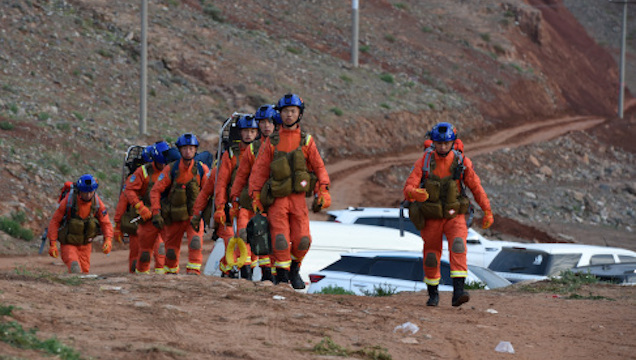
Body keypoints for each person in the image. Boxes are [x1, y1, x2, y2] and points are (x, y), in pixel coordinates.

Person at [403, 122, 494, 307]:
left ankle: (458, 292)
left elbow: (476, 188)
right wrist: (414, 193)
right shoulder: (425, 162)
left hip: (455, 215)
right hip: (431, 216)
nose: (442, 147)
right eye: (439, 143)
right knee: (430, 255)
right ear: (433, 142)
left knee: (458, 247)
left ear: (453, 142)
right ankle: (433, 294)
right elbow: (408, 187)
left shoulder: (462, 162)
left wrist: (487, 211)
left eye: (446, 143)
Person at [249, 94, 331, 289]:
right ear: (280, 113)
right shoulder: (272, 141)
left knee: (303, 240)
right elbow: (259, 170)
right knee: (280, 240)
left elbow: (319, 167)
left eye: (293, 111)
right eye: (285, 111)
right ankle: (284, 277)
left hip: (298, 200)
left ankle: (295, 269)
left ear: (299, 114)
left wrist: (324, 190)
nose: (289, 115)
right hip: (277, 201)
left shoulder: (307, 141)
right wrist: (255, 195)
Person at [227, 105, 280, 281]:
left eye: (269, 122)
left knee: (280, 238)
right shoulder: (251, 150)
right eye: (262, 122)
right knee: (248, 235)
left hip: (275, 201)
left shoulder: (284, 145)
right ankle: (252, 274)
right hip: (251, 201)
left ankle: (282, 275)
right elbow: (240, 177)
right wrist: (233, 201)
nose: (266, 126)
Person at [148, 133, 210, 275]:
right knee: (171, 249)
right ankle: (171, 273)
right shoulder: (171, 169)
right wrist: (156, 212)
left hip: (194, 215)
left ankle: (194, 272)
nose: (188, 151)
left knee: (195, 242)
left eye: (191, 148)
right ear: (180, 150)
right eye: (185, 148)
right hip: (174, 215)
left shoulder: (201, 169)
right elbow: (156, 191)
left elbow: (208, 192)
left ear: (195, 150)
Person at [213, 114, 260, 279]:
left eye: (252, 131)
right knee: (241, 238)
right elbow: (222, 183)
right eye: (246, 131)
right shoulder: (231, 155)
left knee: (255, 243)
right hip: (236, 205)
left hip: (257, 204)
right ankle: (238, 272)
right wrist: (220, 207)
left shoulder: (262, 152)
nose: (249, 134)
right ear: (240, 133)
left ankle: (234, 269)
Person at [47, 174, 113, 273]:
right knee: (75, 267)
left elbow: (105, 223)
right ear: (79, 191)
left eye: (91, 192)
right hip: (69, 244)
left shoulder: (97, 203)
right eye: (85, 192)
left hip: (85, 245)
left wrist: (108, 240)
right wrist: (53, 243)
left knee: (85, 271)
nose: (88, 195)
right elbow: (55, 221)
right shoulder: (69, 201)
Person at [120, 142, 168, 274]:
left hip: (162, 216)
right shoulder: (142, 173)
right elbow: (125, 197)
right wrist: (140, 208)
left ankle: (162, 276)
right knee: (142, 253)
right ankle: (137, 275)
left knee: (163, 250)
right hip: (145, 218)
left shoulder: (172, 170)